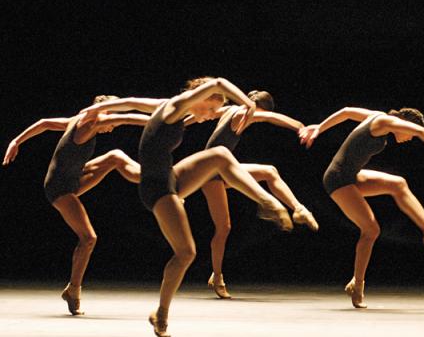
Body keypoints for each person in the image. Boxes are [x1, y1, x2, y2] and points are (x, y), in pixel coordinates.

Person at [81, 77, 293, 337]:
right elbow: (217, 82)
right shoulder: (178, 105)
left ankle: (267, 202)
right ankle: (161, 313)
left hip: (168, 177)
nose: (209, 117)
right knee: (186, 253)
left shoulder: (169, 106)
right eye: (211, 110)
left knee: (221, 155)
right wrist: (248, 103)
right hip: (156, 187)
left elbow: (131, 102)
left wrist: (102, 110)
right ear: (200, 97)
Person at [3, 95, 147, 315]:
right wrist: (163, 119)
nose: (113, 128)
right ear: (104, 113)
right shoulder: (90, 124)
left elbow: (44, 123)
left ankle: (155, 181)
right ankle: (73, 289)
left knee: (115, 156)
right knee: (89, 238)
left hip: (73, 178)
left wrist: (16, 141)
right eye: (113, 123)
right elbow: (127, 118)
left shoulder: (76, 120)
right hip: (60, 189)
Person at [299, 107, 424, 308]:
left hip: (350, 176)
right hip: (338, 179)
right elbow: (421, 132)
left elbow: (346, 112)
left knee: (398, 184)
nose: (409, 138)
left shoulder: (377, 118)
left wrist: (320, 127)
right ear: (405, 123)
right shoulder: (384, 122)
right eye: (409, 133)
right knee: (371, 229)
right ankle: (358, 284)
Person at [196, 90, 318, 299]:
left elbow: (200, 116)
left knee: (269, 171)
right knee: (224, 227)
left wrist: (179, 120)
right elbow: (270, 117)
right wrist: (300, 127)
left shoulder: (229, 110)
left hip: (223, 170)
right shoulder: (242, 113)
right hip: (210, 174)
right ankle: (217, 276)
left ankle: (298, 209)